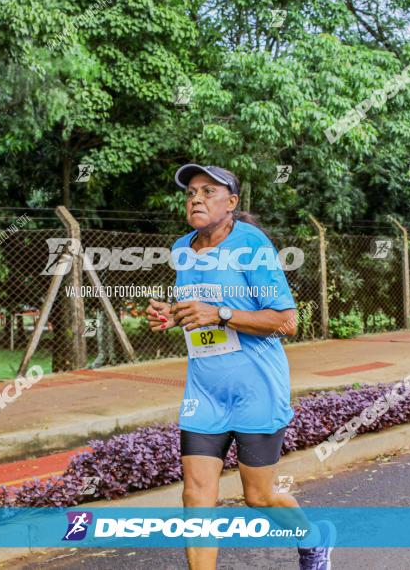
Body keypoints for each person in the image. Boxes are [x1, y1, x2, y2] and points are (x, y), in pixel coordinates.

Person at [147, 164, 335, 570]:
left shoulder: (252, 246)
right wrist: (174, 315)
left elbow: (287, 321)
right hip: (205, 391)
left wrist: (221, 314)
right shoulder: (183, 248)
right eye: (191, 192)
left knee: (258, 497)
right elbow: (200, 306)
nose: (196, 198)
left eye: (208, 192)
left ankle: (314, 538)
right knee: (196, 495)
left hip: (256, 388)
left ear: (231, 203)